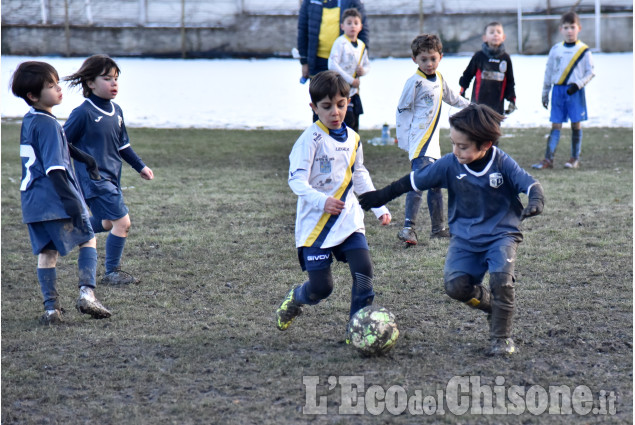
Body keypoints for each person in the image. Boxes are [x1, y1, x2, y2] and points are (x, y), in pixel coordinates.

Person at [358, 104, 545, 356]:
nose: (455, 151)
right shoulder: (449, 164)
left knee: (502, 281)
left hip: (502, 234)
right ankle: (492, 306)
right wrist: (380, 195)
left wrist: (536, 201)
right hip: (465, 238)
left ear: (486, 144)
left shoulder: (501, 162)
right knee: (456, 287)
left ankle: (501, 338)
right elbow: (413, 181)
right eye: (453, 143)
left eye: (463, 146)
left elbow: (530, 184)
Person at [276, 70, 391, 332]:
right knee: (321, 288)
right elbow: (296, 181)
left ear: (348, 103)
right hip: (316, 225)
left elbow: (359, 174)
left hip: (348, 220)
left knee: (364, 271)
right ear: (314, 107)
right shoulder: (309, 141)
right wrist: (322, 202)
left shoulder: (353, 138)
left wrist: (378, 206)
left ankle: (358, 327)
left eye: (341, 105)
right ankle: (296, 298)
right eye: (327, 107)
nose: (335, 112)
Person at [10, 61, 112, 324]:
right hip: (55, 199)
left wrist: (87, 160)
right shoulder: (49, 125)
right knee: (88, 238)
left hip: (33, 202)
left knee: (47, 252)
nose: (58, 88)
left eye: (57, 82)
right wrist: (73, 205)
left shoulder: (33, 119)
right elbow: (55, 169)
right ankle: (87, 294)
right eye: (51, 85)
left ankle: (51, 309)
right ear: (33, 95)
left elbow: (62, 146)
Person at [64, 54, 154, 285]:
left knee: (106, 223)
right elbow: (61, 144)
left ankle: (70, 231)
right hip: (94, 180)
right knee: (122, 223)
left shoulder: (117, 111)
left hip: (113, 178)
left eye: (115, 78)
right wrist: (81, 165)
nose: (114, 83)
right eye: (107, 78)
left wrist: (140, 166)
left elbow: (123, 146)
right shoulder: (83, 113)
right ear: (90, 83)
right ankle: (112, 272)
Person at [395, 34, 470, 245]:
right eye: (424, 59)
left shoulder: (440, 78)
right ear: (415, 60)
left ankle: (437, 228)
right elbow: (402, 110)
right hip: (419, 143)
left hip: (433, 145)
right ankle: (408, 228)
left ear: (440, 57)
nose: (429, 63)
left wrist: (471, 106)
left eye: (433, 59)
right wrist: (404, 139)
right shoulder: (414, 83)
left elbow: (452, 98)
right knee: (418, 183)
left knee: (436, 185)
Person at [533, 11, 594, 170]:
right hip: (558, 92)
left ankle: (574, 158)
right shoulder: (556, 50)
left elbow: (591, 72)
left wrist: (578, 84)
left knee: (576, 125)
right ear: (560, 29)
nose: (569, 31)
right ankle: (548, 159)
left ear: (578, 28)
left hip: (575, 93)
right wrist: (545, 93)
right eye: (566, 27)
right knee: (556, 125)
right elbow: (549, 71)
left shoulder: (584, 50)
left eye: (572, 27)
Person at [297, 0, 369, 84]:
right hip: (318, 61)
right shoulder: (310, 1)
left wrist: (361, 62)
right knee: (320, 95)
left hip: (344, 65)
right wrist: (304, 61)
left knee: (343, 96)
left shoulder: (353, 1)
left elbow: (363, 31)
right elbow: (302, 30)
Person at [459, 21, 517, 115]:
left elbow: (510, 81)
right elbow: (467, 75)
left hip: (497, 107)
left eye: (498, 32)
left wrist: (512, 100)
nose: (495, 34)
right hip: (478, 105)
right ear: (484, 38)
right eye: (491, 32)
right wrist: (462, 91)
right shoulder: (478, 56)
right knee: (477, 128)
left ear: (503, 37)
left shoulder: (506, 59)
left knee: (493, 129)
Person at [328, 8, 370, 133]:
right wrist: (351, 80)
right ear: (342, 26)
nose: (352, 26)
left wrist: (363, 71)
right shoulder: (340, 43)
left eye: (356, 23)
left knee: (355, 120)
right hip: (340, 89)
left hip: (354, 91)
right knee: (346, 119)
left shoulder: (362, 45)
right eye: (349, 23)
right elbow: (332, 64)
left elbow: (368, 65)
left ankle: (354, 148)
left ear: (360, 27)